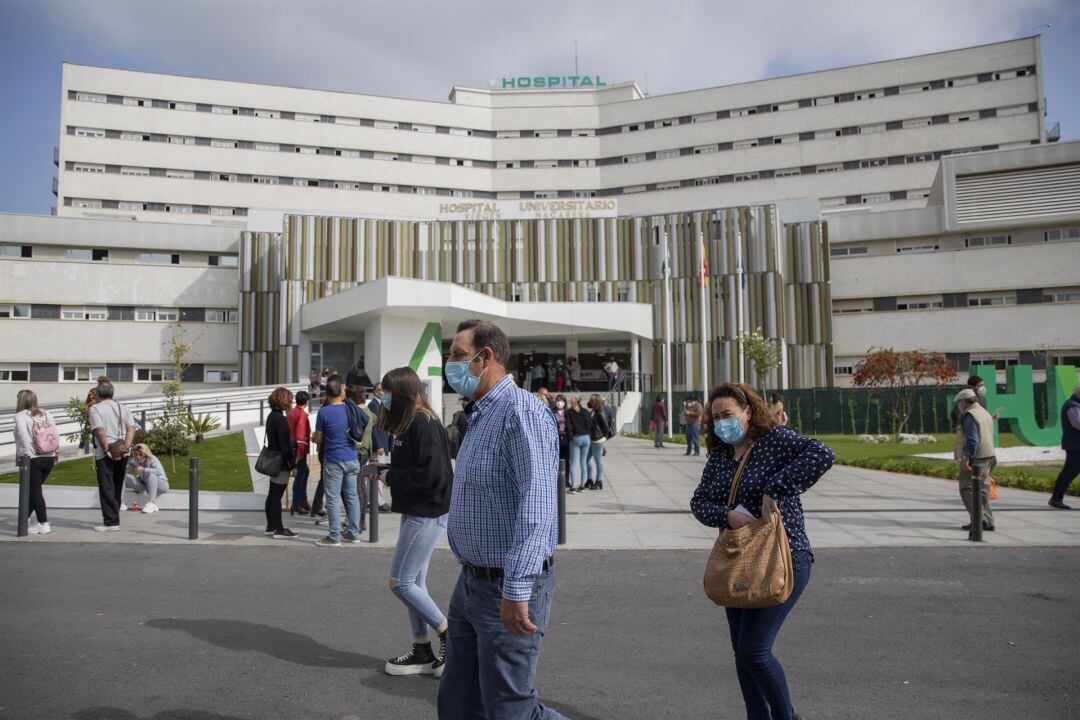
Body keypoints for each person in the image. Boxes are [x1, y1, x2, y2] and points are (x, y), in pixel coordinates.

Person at [438, 319, 567, 720]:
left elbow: (538, 509)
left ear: (485, 357)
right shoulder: (479, 414)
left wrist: (516, 590)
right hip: (472, 582)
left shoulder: (521, 413)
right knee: (459, 701)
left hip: (506, 587)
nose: (450, 363)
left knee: (510, 709)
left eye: (458, 355)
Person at [690, 382, 834, 720]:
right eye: (716, 417)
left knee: (756, 651)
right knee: (742, 653)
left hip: (784, 555)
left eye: (728, 414)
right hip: (739, 561)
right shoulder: (721, 457)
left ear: (748, 412)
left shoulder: (775, 441)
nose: (722, 422)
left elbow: (822, 454)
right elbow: (698, 503)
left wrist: (776, 488)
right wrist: (728, 516)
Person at [376, 367, 454, 677]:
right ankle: (421, 648)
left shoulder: (423, 422)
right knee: (415, 583)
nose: (381, 396)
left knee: (400, 582)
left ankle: (449, 634)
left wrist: (391, 476)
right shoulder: (409, 423)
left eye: (385, 391)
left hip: (428, 513)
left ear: (402, 392)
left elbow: (432, 474)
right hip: (418, 510)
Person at [312, 376, 361, 545]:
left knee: (332, 499)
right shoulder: (349, 408)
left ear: (326, 395)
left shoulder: (323, 412)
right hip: (352, 457)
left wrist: (314, 438)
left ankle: (334, 536)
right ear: (341, 392)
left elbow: (318, 438)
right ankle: (354, 533)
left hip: (333, 459)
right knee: (352, 497)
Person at [88, 382, 137, 532]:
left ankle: (110, 522)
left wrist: (106, 449)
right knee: (116, 484)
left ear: (98, 394)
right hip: (122, 451)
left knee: (106, 486)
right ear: (112, 393)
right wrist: (126, 447)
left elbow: (100, 431)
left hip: (106, 452)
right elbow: (131, 428)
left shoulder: (95, 409)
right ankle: (114, 518)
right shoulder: (123, 407)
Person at [13, 389, 59, 534]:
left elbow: (23, 435)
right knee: (34, 490)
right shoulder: (45, 413)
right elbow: (55, 432)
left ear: (21, 401)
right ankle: (24, 518)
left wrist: (24, 454)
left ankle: (43, 523)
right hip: (49, 456)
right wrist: (56, 452)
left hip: (33, 458)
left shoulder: (20, 416)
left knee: (35, 492)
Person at [955, 388, 996, 532]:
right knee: (982, 489)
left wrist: (967, 457)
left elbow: (972, 439)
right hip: (988, 454)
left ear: (965, 401)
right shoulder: (984, 412)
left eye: (960, 402)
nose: (959, 405)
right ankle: (987, 520)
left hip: (976, 456)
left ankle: (979, 520)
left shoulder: (970, 415)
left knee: (967, 488)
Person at [263, 387, 298, 539]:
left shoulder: (272, 416)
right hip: (281, 463)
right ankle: (279, 529)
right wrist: (293, 465)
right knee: (277, 497)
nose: (291, 402)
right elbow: (285, 446)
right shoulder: (281, 420)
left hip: (273, 460)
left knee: (272, 495)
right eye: (290, 400)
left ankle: (271, 526)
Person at [1049, 383, 1080, 509]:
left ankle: (1056, 498)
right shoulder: (1072, 406)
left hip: (1076, 445)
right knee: (1068, 473)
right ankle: (1056, 498)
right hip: (1076, 447)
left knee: (1068, 473)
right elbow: (1077, 424)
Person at [125, 443, 170, 513]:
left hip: (161, 485)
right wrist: (127, 469)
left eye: (140, 454)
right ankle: (120, 501)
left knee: (151, 475)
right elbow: (129, 467)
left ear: (145, 454)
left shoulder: (152, 459)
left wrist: (144, 469)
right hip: (145, 485)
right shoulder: (135, 460)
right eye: (136, 454)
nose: (138, 457)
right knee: (125, 477)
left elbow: (159, 471)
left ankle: (152, 503)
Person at [369, 382, 393, 512]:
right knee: (378, 474)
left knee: (376, 474)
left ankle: (373, 500)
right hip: (378, 446)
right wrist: (378, 445)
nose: (383, 393)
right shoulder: (373, 405)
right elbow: (373, 427)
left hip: (383, 444)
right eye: (380, 390)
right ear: (375, 392)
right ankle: (378, 502)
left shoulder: (382, 405)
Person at [288, 390, 312, 514]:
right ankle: (296, 503)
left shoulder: (291, 412)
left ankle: (302, 500)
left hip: (291, 448)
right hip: (298, 450)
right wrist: (300, 454)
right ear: (306, 402)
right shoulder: (302, 415)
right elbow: (300, 436)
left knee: (305, 472)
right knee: (300, 475)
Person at [586, 395, 613, 490]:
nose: (589, 403)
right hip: (592, 439)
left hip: (597, 440)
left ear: (595, 402)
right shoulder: (594, 411)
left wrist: (603, 440)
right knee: (586, 459)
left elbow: (606, 429)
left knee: (598, 461)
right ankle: (589, 479)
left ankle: (599, 481)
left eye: (591, 401)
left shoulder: (600, 413)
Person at [566, 395, 592, 493]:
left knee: (573, 463)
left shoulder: (568, 412)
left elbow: (568, 426)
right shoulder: (586, 412)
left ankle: (573, 486)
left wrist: (571, 437)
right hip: (586, 437)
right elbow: (591, 424)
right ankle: (582, 486)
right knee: (583, 462)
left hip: (576, 437)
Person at [552, 394, 570, 475]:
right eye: (558, 400)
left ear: (565, 402)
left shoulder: (567, 412)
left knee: (566, 459)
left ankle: (566, 479)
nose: (559, 402)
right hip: (556, 437)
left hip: (566, 437)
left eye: (562, 401)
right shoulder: (552, 412)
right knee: (556, 458)